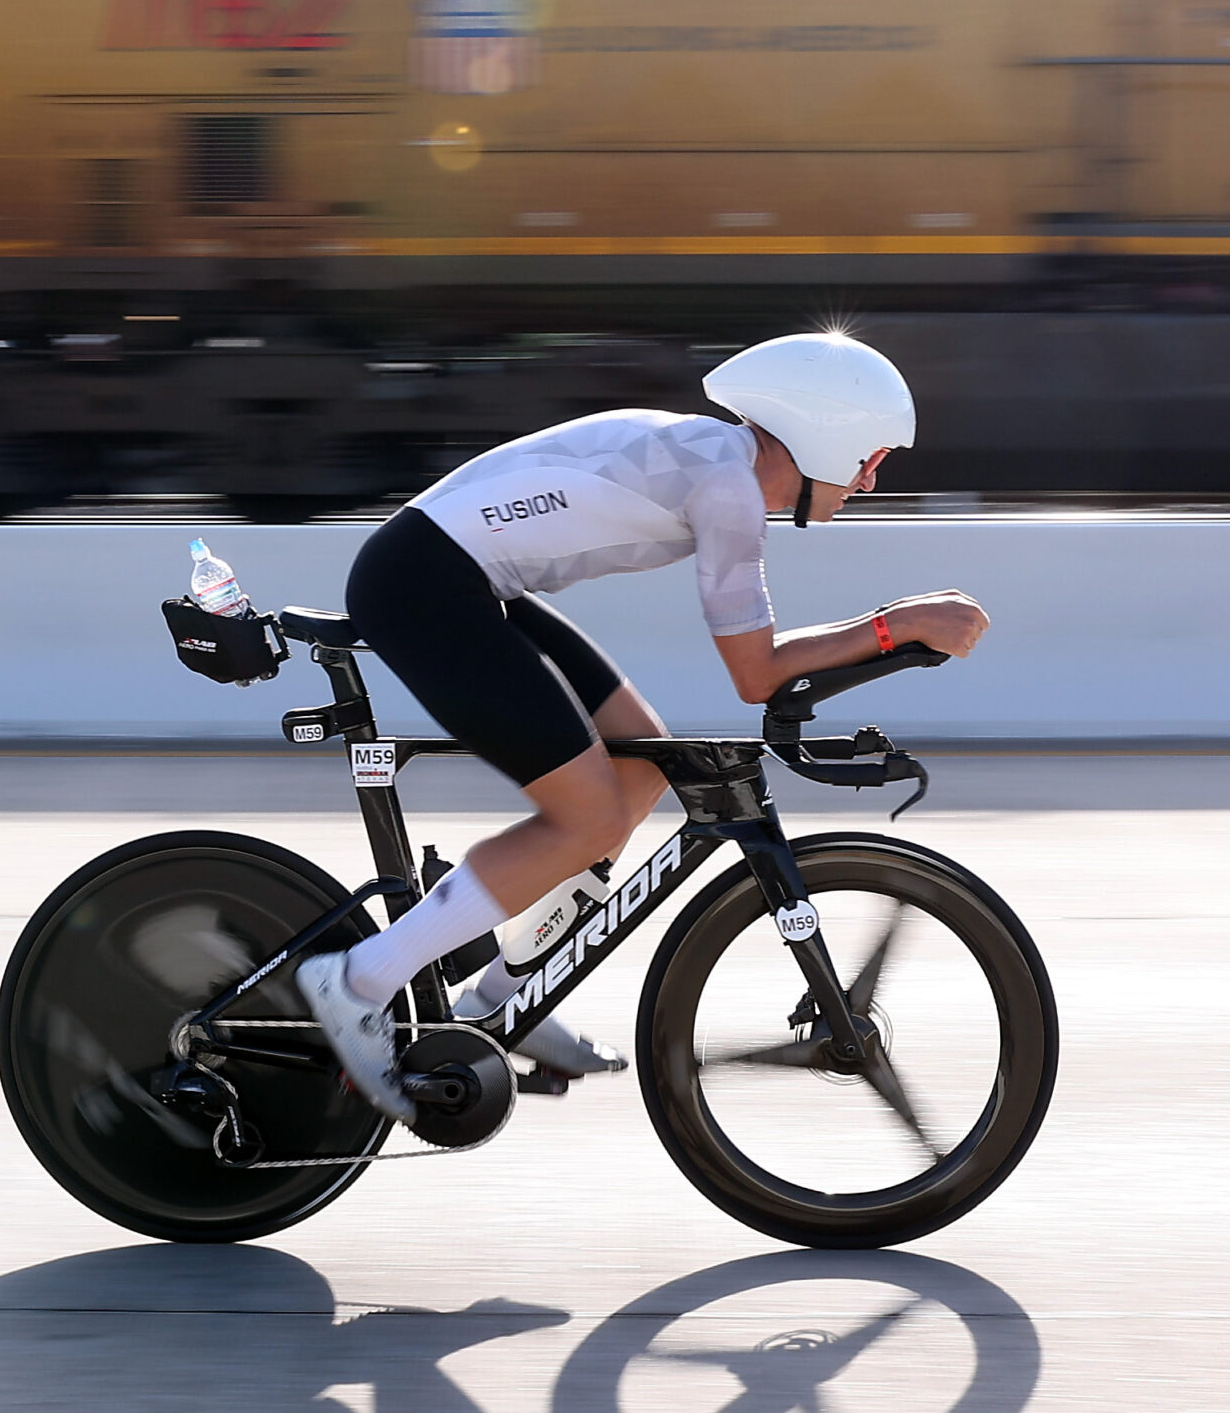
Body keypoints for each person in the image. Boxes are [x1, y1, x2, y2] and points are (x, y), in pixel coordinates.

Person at [295, 332, 990, 1123]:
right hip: (426, 583)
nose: (870, 480)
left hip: (467, 578)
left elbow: (756, 668)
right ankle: (356, 981)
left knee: (642, 768)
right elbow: (755, 675)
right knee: (586, 814)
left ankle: (497, 1000)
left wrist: (894, 627)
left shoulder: (717, 461)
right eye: (869, 458)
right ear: (821, 433)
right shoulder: (725, 486)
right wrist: (897, 625)